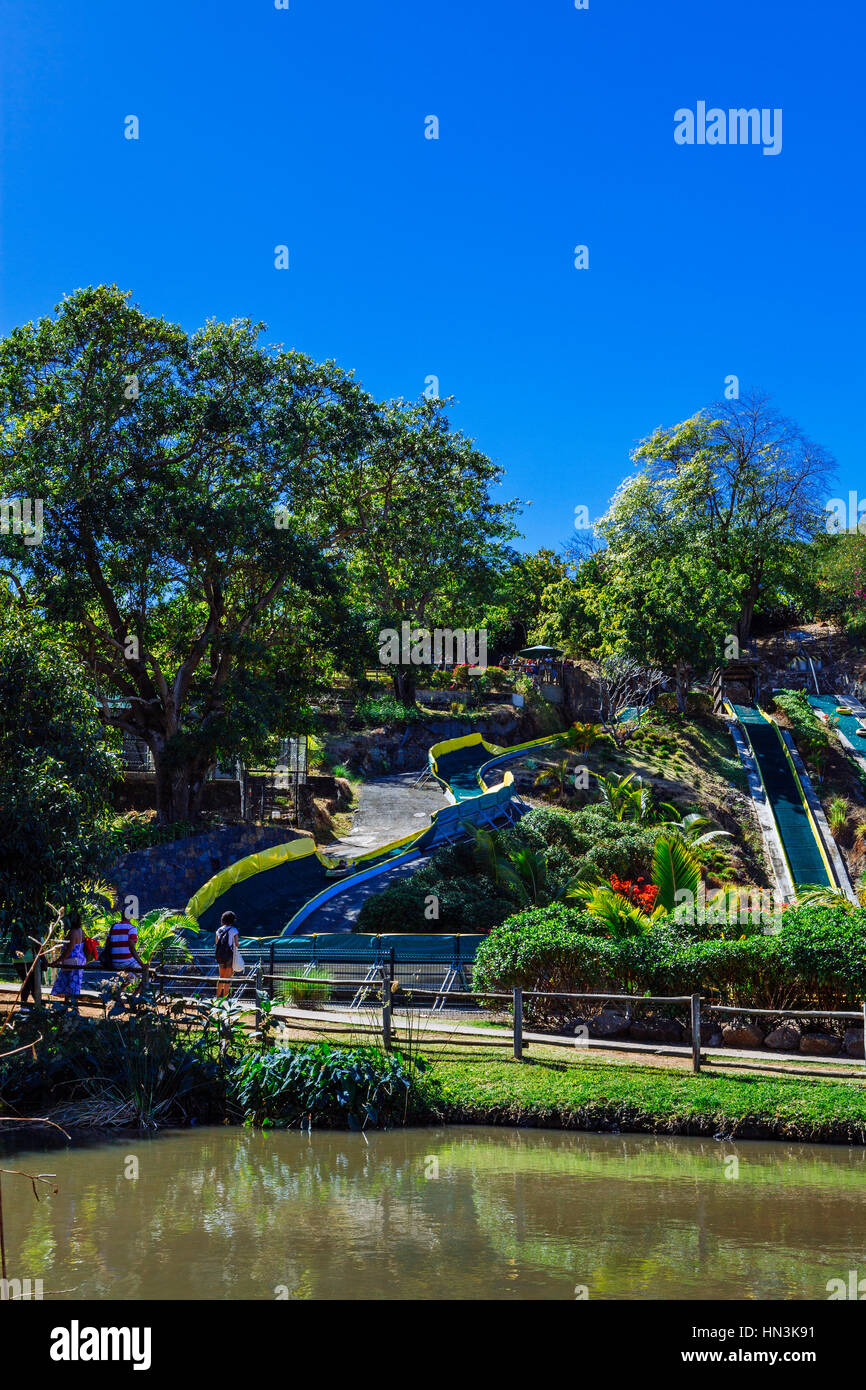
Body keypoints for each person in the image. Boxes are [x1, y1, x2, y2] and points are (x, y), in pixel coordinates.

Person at [51, 913, 86, 1012]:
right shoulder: (80, 931)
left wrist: (57, 961)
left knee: (71, 984)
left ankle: (73, 1008)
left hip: (72, 961)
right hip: (78, 960)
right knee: (72, 984)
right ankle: (70, 1007)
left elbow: (69, 950)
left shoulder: (72, 932)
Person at [215, 911, 244, 998]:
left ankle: (217, 997)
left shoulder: (218, 930)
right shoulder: (234, 930)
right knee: (227, 978)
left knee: (221, 977)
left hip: (220, 955)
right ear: (232, 920)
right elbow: (236, 944)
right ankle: (225, 999)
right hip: (229, 955)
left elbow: (217, 943)